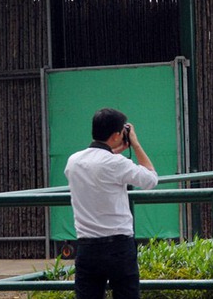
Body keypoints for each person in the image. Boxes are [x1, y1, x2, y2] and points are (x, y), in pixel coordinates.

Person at [64, 108, 158, 299]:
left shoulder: (73, 161)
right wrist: (136, 146)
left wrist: (115, 150)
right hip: (118, 247)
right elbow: (150, 179)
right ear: (117, 135)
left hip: (87, 247)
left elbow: (96, 162)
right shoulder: (117, 163)